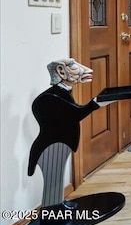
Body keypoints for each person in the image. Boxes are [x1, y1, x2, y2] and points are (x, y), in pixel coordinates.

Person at [28, 58, 107, 207]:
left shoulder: (62, 93)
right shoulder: (50, 98)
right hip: (52, 146)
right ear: (61, 71)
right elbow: (75, 114)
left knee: (56, 177)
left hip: (60, 143)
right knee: (54, 178)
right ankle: (53, 211)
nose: (85, 70)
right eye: (74, 66)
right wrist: (96, 103)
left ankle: (58, 204)